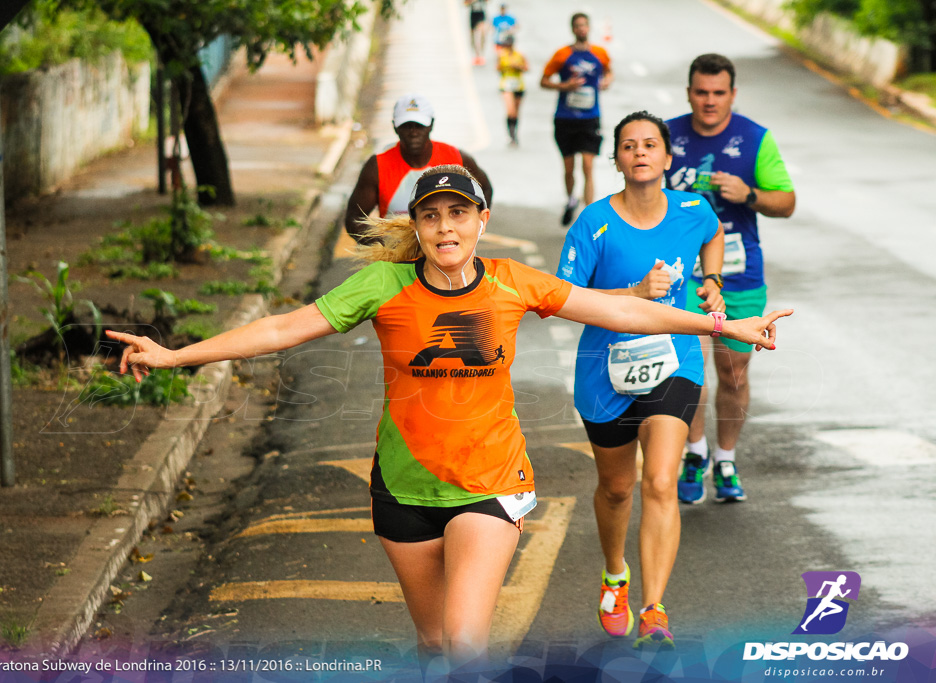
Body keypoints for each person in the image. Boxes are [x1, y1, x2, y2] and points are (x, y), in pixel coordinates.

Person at [109, 164, 789, 676]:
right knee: (433, 644)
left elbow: (626, 312)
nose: (446, 229)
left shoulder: (511, 283)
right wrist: (176, 356)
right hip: (402, 488)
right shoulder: (384, 287)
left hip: (488, 483)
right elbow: (285, 328)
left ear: (480, 220)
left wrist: (723, 326)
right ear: (419, 226)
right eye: (432, 217)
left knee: (465, 646)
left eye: (458, 214)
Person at [557, 111, 741, 650]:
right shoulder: (593, 224)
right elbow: (564, 301)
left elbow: (713, 233)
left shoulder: (691, 209)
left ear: (666, 157)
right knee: (617, 489)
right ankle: (615, 574)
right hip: (604, 373)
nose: (640, 153)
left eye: (650, 144)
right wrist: (635, 292)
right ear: (615, 159)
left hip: (675, 361)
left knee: (660, 480)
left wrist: (711, 280)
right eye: (629, 146)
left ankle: (654, 609)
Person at [665, 53, 796, 504]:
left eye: (718, 93)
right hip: (681, 278)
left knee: (734, 373)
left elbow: (787, 201)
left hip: (740, 276)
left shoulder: (755, 138)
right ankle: (695, 452)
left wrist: (751, 194)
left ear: (732, 95)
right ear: (689, 93)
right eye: (701, 92)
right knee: (690, 370)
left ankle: (725, 458)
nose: (709, 101)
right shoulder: (668, 137)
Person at [344, 93, 492, 245]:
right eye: (406, 126)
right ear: (395, 127)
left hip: (447, 253)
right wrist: (383, 245)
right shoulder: (376, 166)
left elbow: (485, 188)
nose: (413, 132)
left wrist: (474, 229)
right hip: (399, 261)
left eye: (419, 126)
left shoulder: (458, 159)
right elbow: (354, 218)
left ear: (431, 125)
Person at [541, 12, 613, 227]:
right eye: (578, 26)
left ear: (589, 28)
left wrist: (606, 82)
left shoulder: (600, 53)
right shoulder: (562, 55)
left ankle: (589, 214)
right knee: (569, 167)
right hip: (565, 118)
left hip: (590, 118)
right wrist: (565, 86)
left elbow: (609, 72)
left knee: (589, 167)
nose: (582, 29)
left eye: (585, 25)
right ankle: (571, 199)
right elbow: (543, 81)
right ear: (573, 29)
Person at [495, 35, 529, 146]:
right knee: (511, 111)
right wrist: (507, 67)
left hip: (518, 85)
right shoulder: (501, 55)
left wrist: (518, 66)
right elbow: (498, 68)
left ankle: (515, 134)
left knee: (516, 112)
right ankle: (511, 135)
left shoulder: (520, 55)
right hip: (506, 85)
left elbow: (526, 67)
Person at [465, 0, 489, 66]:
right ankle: (477, 55)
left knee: (481, 36)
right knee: (473, 38)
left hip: (481, 16)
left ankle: (481, 55)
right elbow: (465, 4)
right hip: (473, 16)